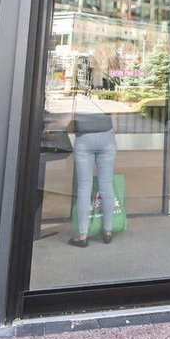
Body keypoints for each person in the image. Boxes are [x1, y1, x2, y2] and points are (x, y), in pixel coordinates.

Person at [68, 81, 118, 248]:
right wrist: (113, 131)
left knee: (84, 187)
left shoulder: (78, 93)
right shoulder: (107, 88)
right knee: (106, 185)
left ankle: (82, 235)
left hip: (84, 138)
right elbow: (114, 115)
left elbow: (70, 116)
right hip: (106, 136)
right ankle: (108, 231)